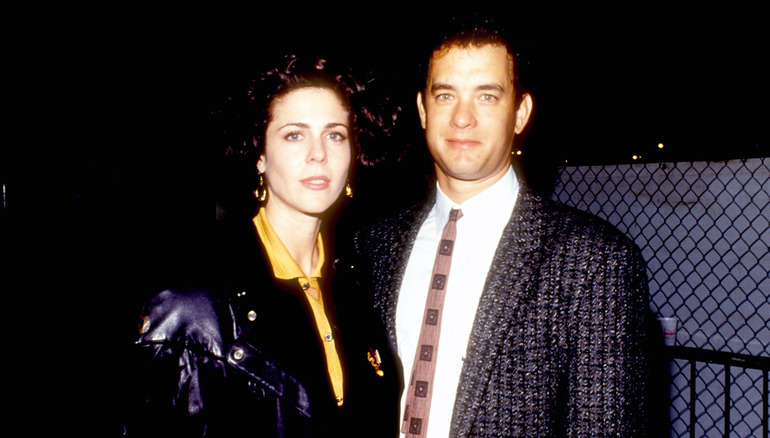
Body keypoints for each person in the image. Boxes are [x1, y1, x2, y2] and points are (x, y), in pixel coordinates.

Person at [351, 19, 654, 437]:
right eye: (445, 95)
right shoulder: (374, 244)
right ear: (423, 110)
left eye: (487, 97)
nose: (462, 118)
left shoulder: (594, 261)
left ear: (520, 113)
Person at [126, 54, 401, 437]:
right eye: (294, 134)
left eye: (334, 134)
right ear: (260, 155)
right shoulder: (192, 303)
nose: (318, 153)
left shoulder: (358, 287)